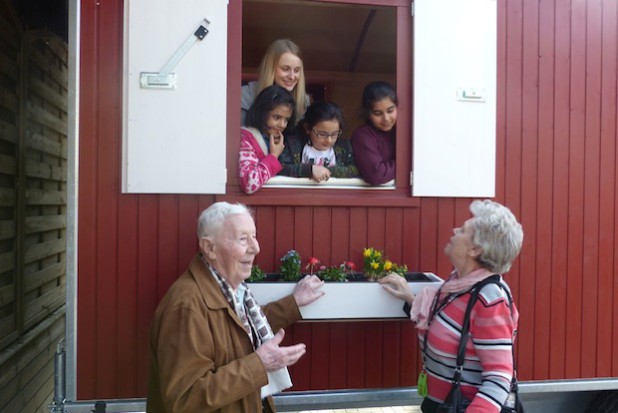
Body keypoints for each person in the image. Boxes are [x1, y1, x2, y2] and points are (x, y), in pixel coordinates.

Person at [147, 202, 325, 413]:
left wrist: (293, 303)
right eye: (243, 239)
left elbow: (237, 331)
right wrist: (259, 364)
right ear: (209, 248)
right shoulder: (185, 306)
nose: (255, 248)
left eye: (254, 236)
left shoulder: (231, 290)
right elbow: (185, 399)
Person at [379, 200, 523, 413]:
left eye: (463, 230)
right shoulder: (459, 285)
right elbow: (446, 321)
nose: (455, 230)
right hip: (441, 405)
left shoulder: (489, 299)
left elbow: (499, 376)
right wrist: (411, 298)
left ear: (474, 249)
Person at [279, 101, 358, 182]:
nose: (329, 140)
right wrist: (309, 170)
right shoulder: (293, 145)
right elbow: (280, 167)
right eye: (322, 134)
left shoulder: (343, 147)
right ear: (307, 128)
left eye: (334, 134)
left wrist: (326, 171)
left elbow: (356, 170)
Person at [239, 85, 295, 194]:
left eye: (286, 120)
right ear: (262, 113)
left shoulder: (282, 140)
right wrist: (273, 156)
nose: (282, 125)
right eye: (277, 117)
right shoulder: (247, 139)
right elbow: (249, 183)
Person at [241, 39, 310, 126]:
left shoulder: (304, 102)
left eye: (296, 70)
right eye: (285, 69)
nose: (292, 76)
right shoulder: (246, 96)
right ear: (270, 68)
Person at [350, 81, 398, 185]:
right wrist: (407, 165)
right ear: (368, 113)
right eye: (378, 113)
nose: (386, 118)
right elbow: (376, 175)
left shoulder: (404, 131)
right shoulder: (363, 135)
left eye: (390, 111)